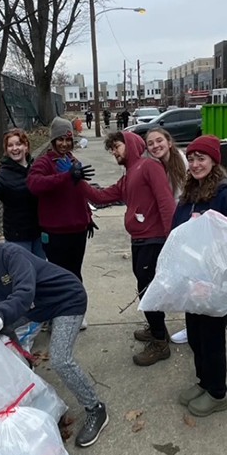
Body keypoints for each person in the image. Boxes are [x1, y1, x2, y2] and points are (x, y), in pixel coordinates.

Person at [0, 222, 108, 447]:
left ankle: (96, 408)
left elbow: (24, 291)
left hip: (66, 300)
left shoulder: (11, 255)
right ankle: (25, 369)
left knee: (60, 360)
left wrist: (1, 312)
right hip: (37, 307)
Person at [171, 135, 227, 418]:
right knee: (195, 334)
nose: (194, 164)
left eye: (201, 158)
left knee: (212, 338)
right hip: (194, 280)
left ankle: (218, 394)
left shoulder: (226, 193)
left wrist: (210, 235)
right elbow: (178, 232)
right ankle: (204, 382)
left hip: (216, 283)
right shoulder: (190, 191)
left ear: (213, 161)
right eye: (191, 159)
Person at [82, 131, 175, 366]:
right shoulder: (128, 175)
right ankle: (158, 329)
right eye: (112, 149)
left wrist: (171, 240)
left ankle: (159, 342)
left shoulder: (149, 167)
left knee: (147, 290)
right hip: (139, 240)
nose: (114, 152)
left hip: (154, 240)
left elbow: (165, 202)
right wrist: (77, 183)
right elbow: (102, 196)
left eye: (116, 147)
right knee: (146, 288)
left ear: (131, 144)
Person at [26, 116, 95, 283]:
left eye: (68, 140)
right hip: (56, 231)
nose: (64, 144)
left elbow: (80, 192)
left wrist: (88, 216)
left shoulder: (73, 161)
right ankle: (63, 307)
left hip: (78, 229)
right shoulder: (44, 163)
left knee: (76, 273)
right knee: (61, 276)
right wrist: (65, 176)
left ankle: (77, 307)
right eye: (60, 140)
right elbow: (34, 184)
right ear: (53, 140)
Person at [144, 126, 190, 345]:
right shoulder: (155, 166)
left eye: (159, 140)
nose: (155, 146)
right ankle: (157, 324)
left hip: (187, 226)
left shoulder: (182, 161)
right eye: (150, 143)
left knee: (191, 279)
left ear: (169, 142)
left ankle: (193, 327)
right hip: (173, 226)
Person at [0, 129, 43, 257]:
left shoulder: (36, 169)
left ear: (26, 146)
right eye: (10, 145)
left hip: (39, 233)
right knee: (22, 274)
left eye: (19, 144)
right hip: (18, 237)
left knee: (41, 272)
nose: (15, 148)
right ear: (6, 150)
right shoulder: (2, 174)